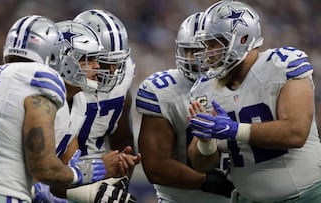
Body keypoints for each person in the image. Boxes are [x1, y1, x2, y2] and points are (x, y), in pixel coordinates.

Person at [0, 15, 127, 203]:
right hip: (0, 191)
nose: (97, 67)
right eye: (87, 60)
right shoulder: (41, 77)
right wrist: (97, 169)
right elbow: (44, 168)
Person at [187, 1, 321, 203]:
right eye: (206, 44)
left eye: (214, 43)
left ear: (241, 39)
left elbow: (296, 132)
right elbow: (202, 165)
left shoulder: (282, 64)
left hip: (306, 197)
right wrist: (206, 143)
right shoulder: (204, 88)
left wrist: (235, 130)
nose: (207, 52)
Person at [32, 19, 139, 203]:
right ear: (64, 61)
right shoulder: (36, 99)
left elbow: (65, 175)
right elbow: (29, 171)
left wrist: (100, 182)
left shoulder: (77, 102)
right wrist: (91, 187)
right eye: (89, 59)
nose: (98, 66)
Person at [135, 12, 233, 203]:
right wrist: (208, 182)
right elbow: (155, 166)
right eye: (192, 50)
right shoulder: (163, 89)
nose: (199, 58)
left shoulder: (246, 80)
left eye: (207, 49)